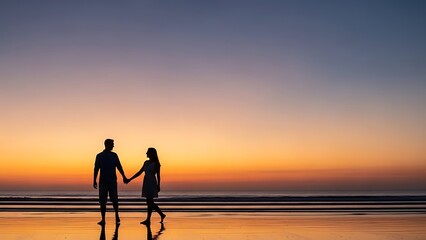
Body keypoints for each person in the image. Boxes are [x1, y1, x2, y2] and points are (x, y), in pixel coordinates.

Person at [125, 147, 166, 225]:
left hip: (152, 182)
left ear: (151, 154)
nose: (146, 153)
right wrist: (130, 179)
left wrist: (158, 185)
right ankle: (161, 215)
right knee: (149, 202)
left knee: (149, 201)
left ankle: (149, 219)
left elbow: (158, 176)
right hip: (146, 182)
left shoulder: (156, 163)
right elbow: (139, 172)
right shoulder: (145, 162)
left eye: (147, 152)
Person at [93, 139, 127, 225]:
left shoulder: (114, 155)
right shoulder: (99, 156)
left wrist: (124, 176)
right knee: (102, 201)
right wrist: (94, 180)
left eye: (113, 144)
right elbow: (96, 168)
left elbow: (119, 166)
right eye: (112, 144)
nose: (113, 146)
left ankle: (116, 215)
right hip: (103, 181)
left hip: (112, 181)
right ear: (106, 144)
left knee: (114, 199)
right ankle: (103, 219)